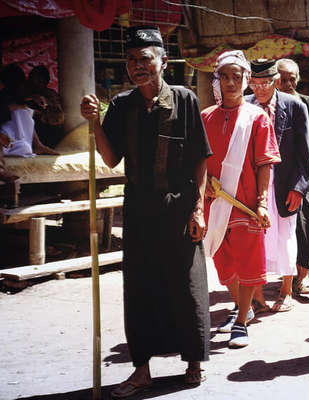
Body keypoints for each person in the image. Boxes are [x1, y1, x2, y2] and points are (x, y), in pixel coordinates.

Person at [79, 26, 212, 397]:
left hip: (179, 206)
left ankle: (194, 361)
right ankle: (141, 371)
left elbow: (201, 158)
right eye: (132, 60)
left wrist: (199, 209)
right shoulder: (122, 106)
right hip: (138, 208)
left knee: (186, 285)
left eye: (145, 58)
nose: (137, 66)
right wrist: (94, 123)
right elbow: (110, 158)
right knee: (139, 288)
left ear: (163, 62)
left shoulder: (184, 99)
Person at [201, 51, 280, 346]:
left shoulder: (256, 117)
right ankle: (239, 309)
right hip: (214, 202)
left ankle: (243, 321)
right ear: (217, 80)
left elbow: (264, 163)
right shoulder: (205, 117)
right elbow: (197, 163)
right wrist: (203, 187)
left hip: (245, 203)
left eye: (237, 76)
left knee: (247, 264)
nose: (231, 82)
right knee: (224, 264)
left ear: (246, 80)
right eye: (225, 76)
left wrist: (260, 202)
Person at [246, 59, 309, 313]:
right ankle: (258, 296)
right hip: (255, 185)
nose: (260, 89)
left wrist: (299, 187)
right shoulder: (246, 106)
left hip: (285, 183)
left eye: (265, 83)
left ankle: (286, 290)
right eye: (255, 84)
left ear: (275, 82)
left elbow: (305, 154)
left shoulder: (294, 105)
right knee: (256, 238)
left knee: (286, 235)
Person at [276, 58, 309, 295]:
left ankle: (303, 276)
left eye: (291, 79)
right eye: (282, 79)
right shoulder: (269, 105)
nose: (287, 83)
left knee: (308, 221)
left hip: (308, 170)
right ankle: (287, 275)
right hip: (280, 172)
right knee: (286, 224)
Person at [26, 65, 65, 148]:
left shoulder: (50, 95)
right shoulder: (27, 93)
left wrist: (40, 109)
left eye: (38, 79)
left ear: (45, 81)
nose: (33, 82)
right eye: (32, 79)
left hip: (47, 135)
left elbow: (58, 118)